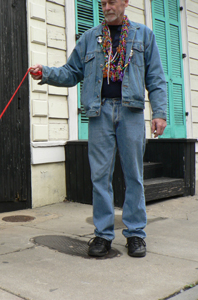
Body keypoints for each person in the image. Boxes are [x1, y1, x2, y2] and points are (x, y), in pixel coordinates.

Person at [30, 0, 167, 258]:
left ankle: (136, 233)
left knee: (134, 174)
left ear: (125, 2)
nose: (106, 7)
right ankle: (103, 235)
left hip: (132, 112)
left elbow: (156, 78)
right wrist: (44, 73)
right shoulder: (89, 38)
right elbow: (71, 72)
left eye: (111, 1)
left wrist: (159, 113)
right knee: (99, 176)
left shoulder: (143, 35)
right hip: (99, 112)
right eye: (102, 2)